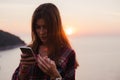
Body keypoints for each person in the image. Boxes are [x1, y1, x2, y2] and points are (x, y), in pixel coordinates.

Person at [12, 3, 78, 80]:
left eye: (46, 27)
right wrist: (23, 71)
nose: (41, 32)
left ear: (55, 26)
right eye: (38, 27)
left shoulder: (68, 53)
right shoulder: (31, 50)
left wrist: (55, 75)